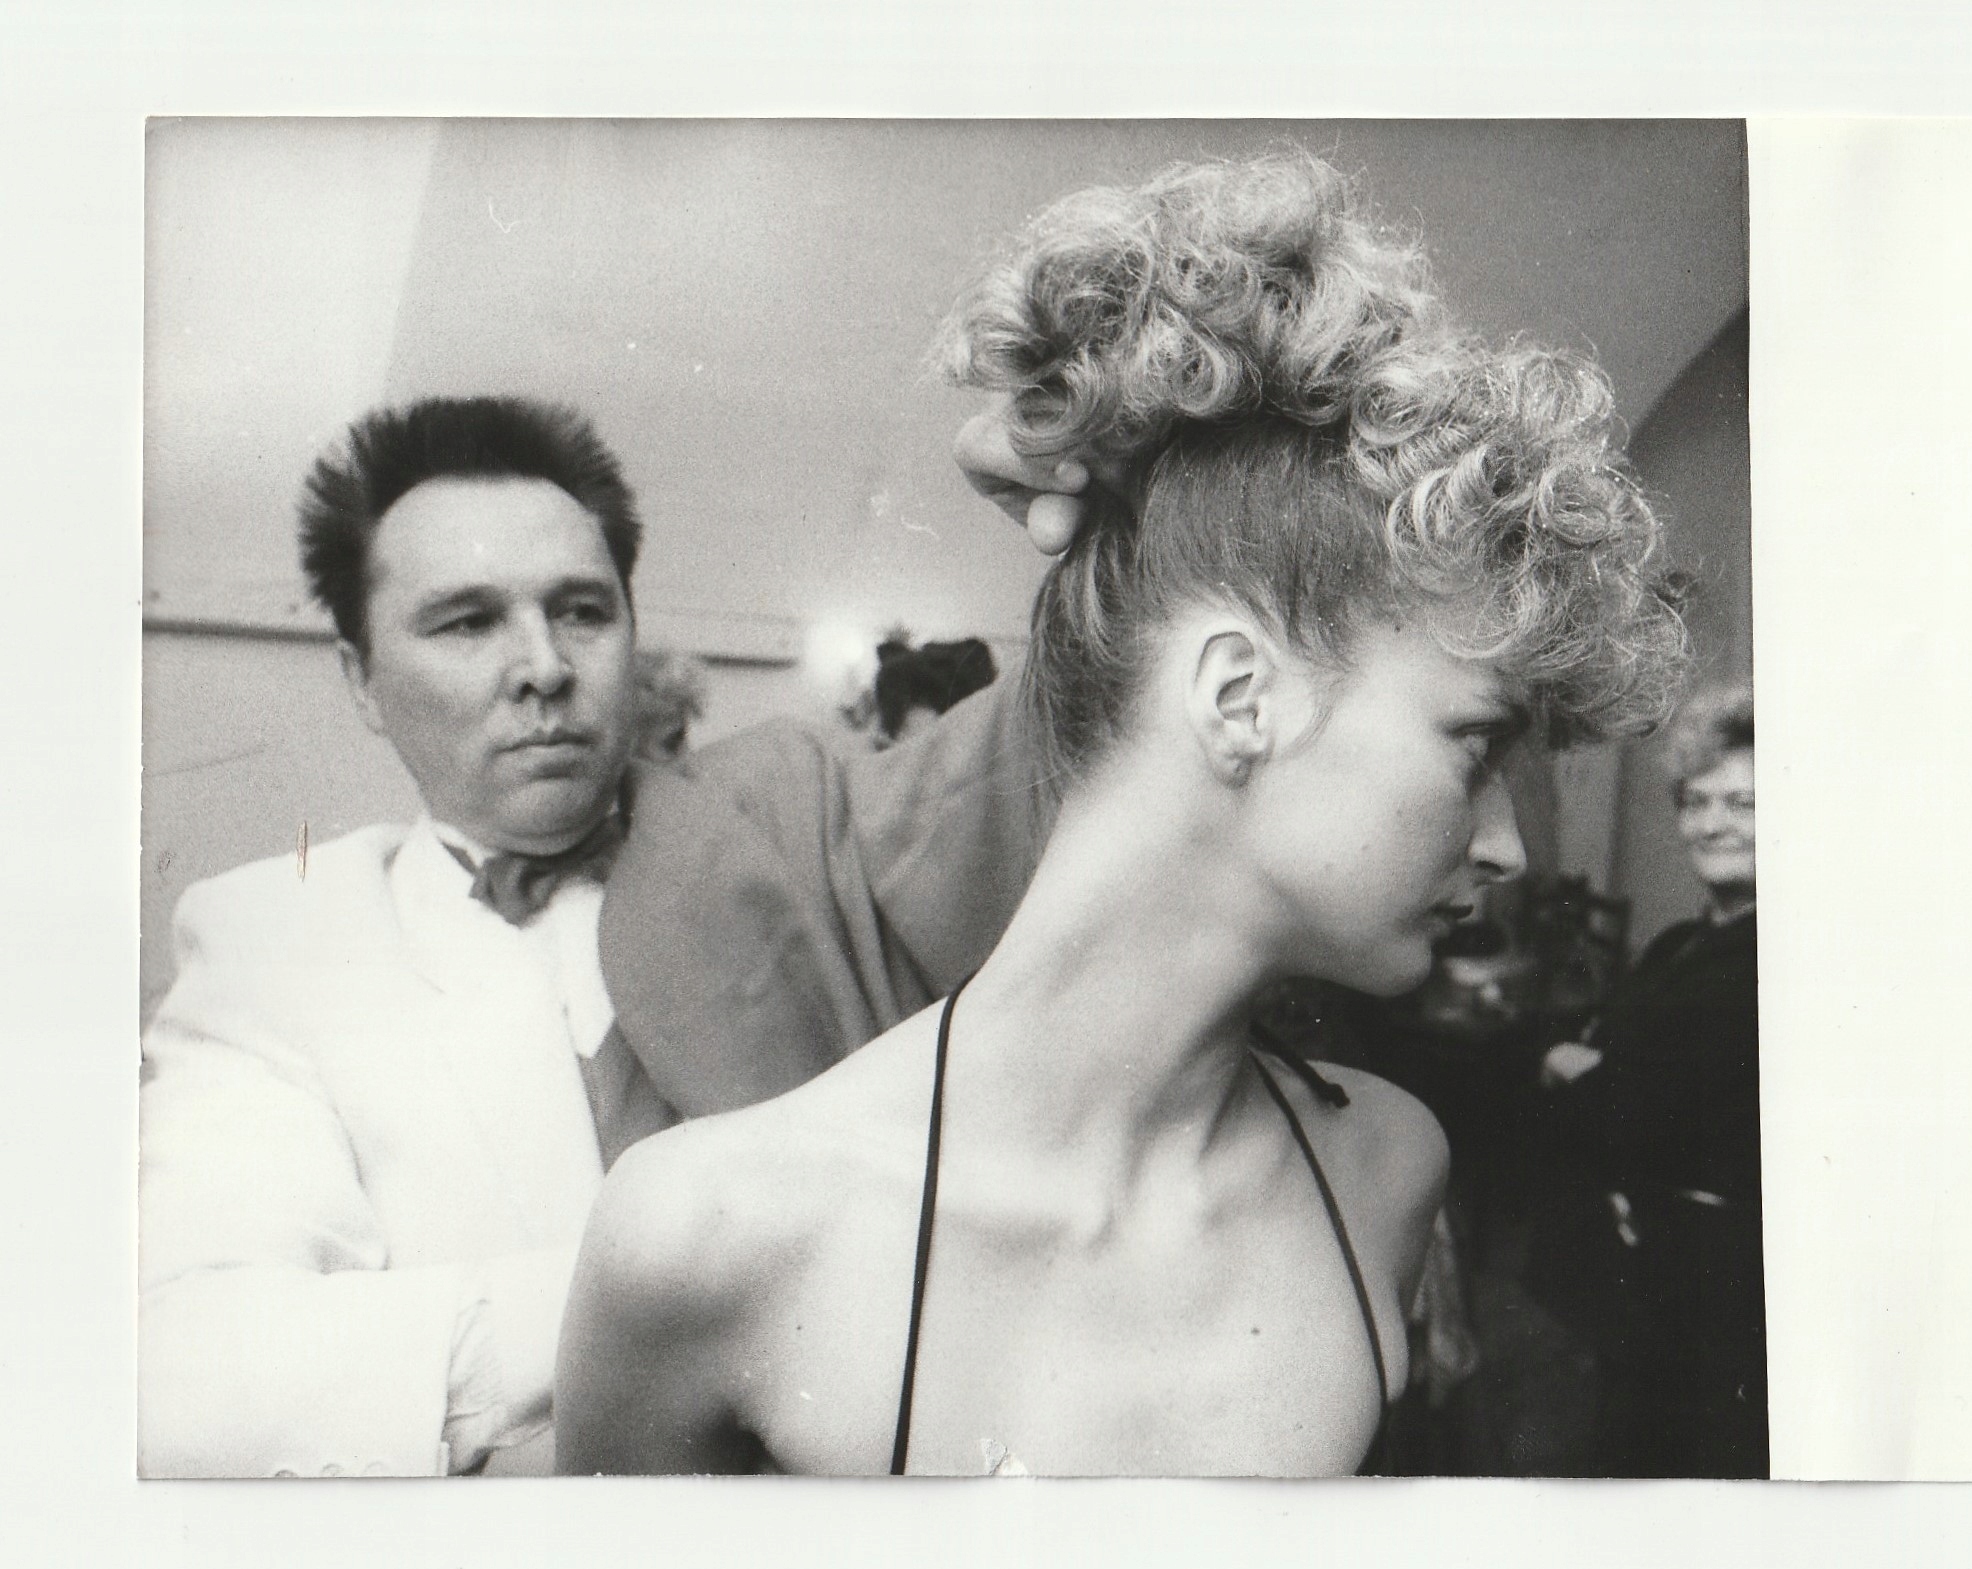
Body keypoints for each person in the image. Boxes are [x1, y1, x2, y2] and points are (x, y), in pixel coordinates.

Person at [555, 153, 1685, 1477]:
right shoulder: (709, 1236)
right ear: (1239, 695)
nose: (1505, 847)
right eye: (1474, 743)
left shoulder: (1385, 1172)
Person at [137, 397, 1055, 1477]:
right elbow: (187, 1370)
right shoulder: (280, 939)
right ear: (361, 679)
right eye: (467, 622)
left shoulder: (793, 815)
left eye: (581, 611)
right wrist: (679, 1293)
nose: (544, 666)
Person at [1532, 682, 1765, 1477]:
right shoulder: (1678, 946)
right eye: (1696, 802)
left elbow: (1628, 1105)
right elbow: (1630, 1084)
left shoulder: (1774, 960)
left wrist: (1581, 1072)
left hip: (1722, 1284)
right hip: (1649, 1265)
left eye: (1744, 803)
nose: (1712, 824)